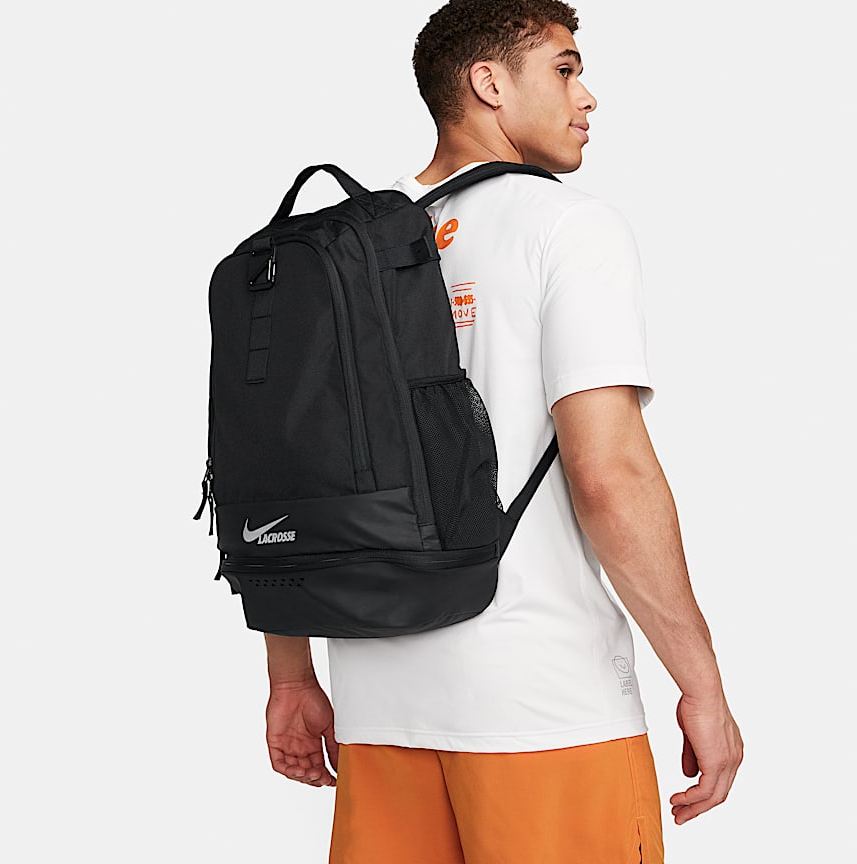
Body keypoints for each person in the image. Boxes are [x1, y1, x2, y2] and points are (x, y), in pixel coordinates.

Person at [261, 1, 744, 861]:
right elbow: (609, 475)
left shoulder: (339, 249)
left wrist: (291, 675)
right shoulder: (569, 226)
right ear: (488, 82)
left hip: (378, 706)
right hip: (544, 705)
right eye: (564, 69)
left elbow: (291, 470)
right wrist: (700, 682)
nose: (587, 97)